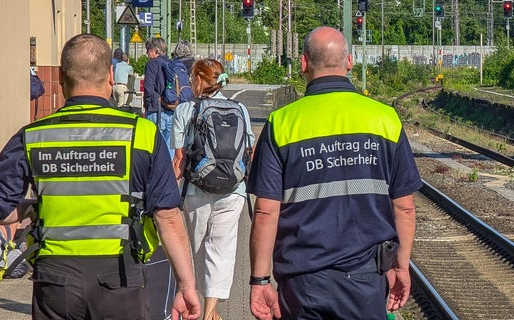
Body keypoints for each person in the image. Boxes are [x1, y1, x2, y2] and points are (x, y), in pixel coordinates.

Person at [0, 34, 201, 320]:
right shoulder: (140, 133)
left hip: (55, 281)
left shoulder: (34, 135)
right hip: (120, 277)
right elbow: (167, 216)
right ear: (109, 75)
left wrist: (33, 211)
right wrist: (187, 285)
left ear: (60, 78)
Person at [247, 26, 423, 320]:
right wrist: (400, 265)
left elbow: (265, 212)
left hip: (301, 283)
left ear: (303, 63)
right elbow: (404, 207)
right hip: (366, 280)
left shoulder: (282, 123)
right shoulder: (385, 120)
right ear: (350, 62)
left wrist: (260, 280)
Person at [171, 58, 255, 320]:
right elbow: (249, 149)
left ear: (197, 80)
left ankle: (191, 304)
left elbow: (179, 159)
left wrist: (169, 196)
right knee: (221, 251)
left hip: (196, 191)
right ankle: (210, 311)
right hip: (233, 191)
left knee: (193, 250)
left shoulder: (186, 110)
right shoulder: (240, 108)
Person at [143, 37, 174, 158]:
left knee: (154, 148)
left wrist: (147, 103)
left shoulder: (152, 63)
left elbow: (148, 87)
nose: (147, 53)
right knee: (169, 148)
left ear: (156, 51)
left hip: (156, 110)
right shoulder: (170, 63)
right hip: (171, 109)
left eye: (148, 50)